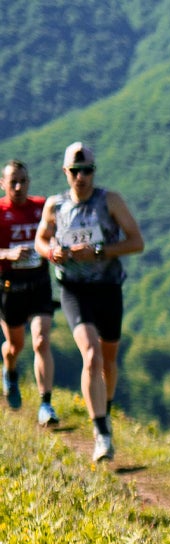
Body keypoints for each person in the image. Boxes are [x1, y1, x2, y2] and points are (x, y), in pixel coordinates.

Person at [34, 143, 143, 461]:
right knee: (92, 356)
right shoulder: (55, 206)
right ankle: (101, 434)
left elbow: (136, 241)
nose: (81, 177)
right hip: (74, 290)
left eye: (87, 171)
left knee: (109, 360)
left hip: (108, 288)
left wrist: (99, 252)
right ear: (65, 172)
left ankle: (104, 411)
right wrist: (51, 252)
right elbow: (41, 239)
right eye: (75, 171)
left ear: (94, 171)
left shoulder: (109, 201)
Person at [0, 161, 56, 424]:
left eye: (23, 180)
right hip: (10, 288)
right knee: (15, 346)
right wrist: (8, 254)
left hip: (39, 284)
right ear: (3, 184)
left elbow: (55, 235)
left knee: (41, 341)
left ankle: (46, 405)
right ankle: (9, 369)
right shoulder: (0, 212)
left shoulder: (41, 207)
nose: (19, 186)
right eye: (13, 182)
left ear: (29, 181)